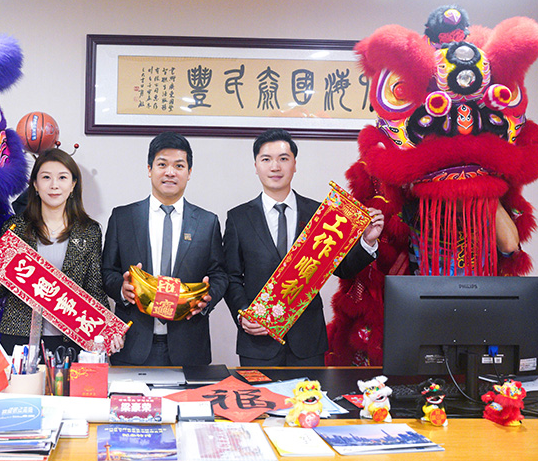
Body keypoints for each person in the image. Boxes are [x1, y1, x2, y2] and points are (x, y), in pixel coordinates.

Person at [223, 128, 384, 366]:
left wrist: (367, 241)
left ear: (294, 164)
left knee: (310, 393)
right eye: (266, 159)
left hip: (308, 340)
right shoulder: (238, 218)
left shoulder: (321, 214)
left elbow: (342, 269)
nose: (275, 167)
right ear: (256, 166)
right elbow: (231, 276)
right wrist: (243, 313)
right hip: (258, 340)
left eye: (283, 158)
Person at [0, 148, 121, 356]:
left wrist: (108, 330)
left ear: (73, 184)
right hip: (19, 336)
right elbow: (1, 291)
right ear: (35, 184)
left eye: (62, 177)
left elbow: (94, 288)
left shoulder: (89, 231)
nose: (54, 185)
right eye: (46, 177)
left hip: (72, 338)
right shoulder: (15, 228)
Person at [101, 131, 228, 366]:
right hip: (134, 343)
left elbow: (220, 274)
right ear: (149, 169)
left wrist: (207, 299)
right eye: (162, 164)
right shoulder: (123, 218)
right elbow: (107, 271)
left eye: (179, 165)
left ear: (189, 172)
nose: (170, 172)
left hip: (189, 345)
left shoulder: (207, 222)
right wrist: (122, 289)